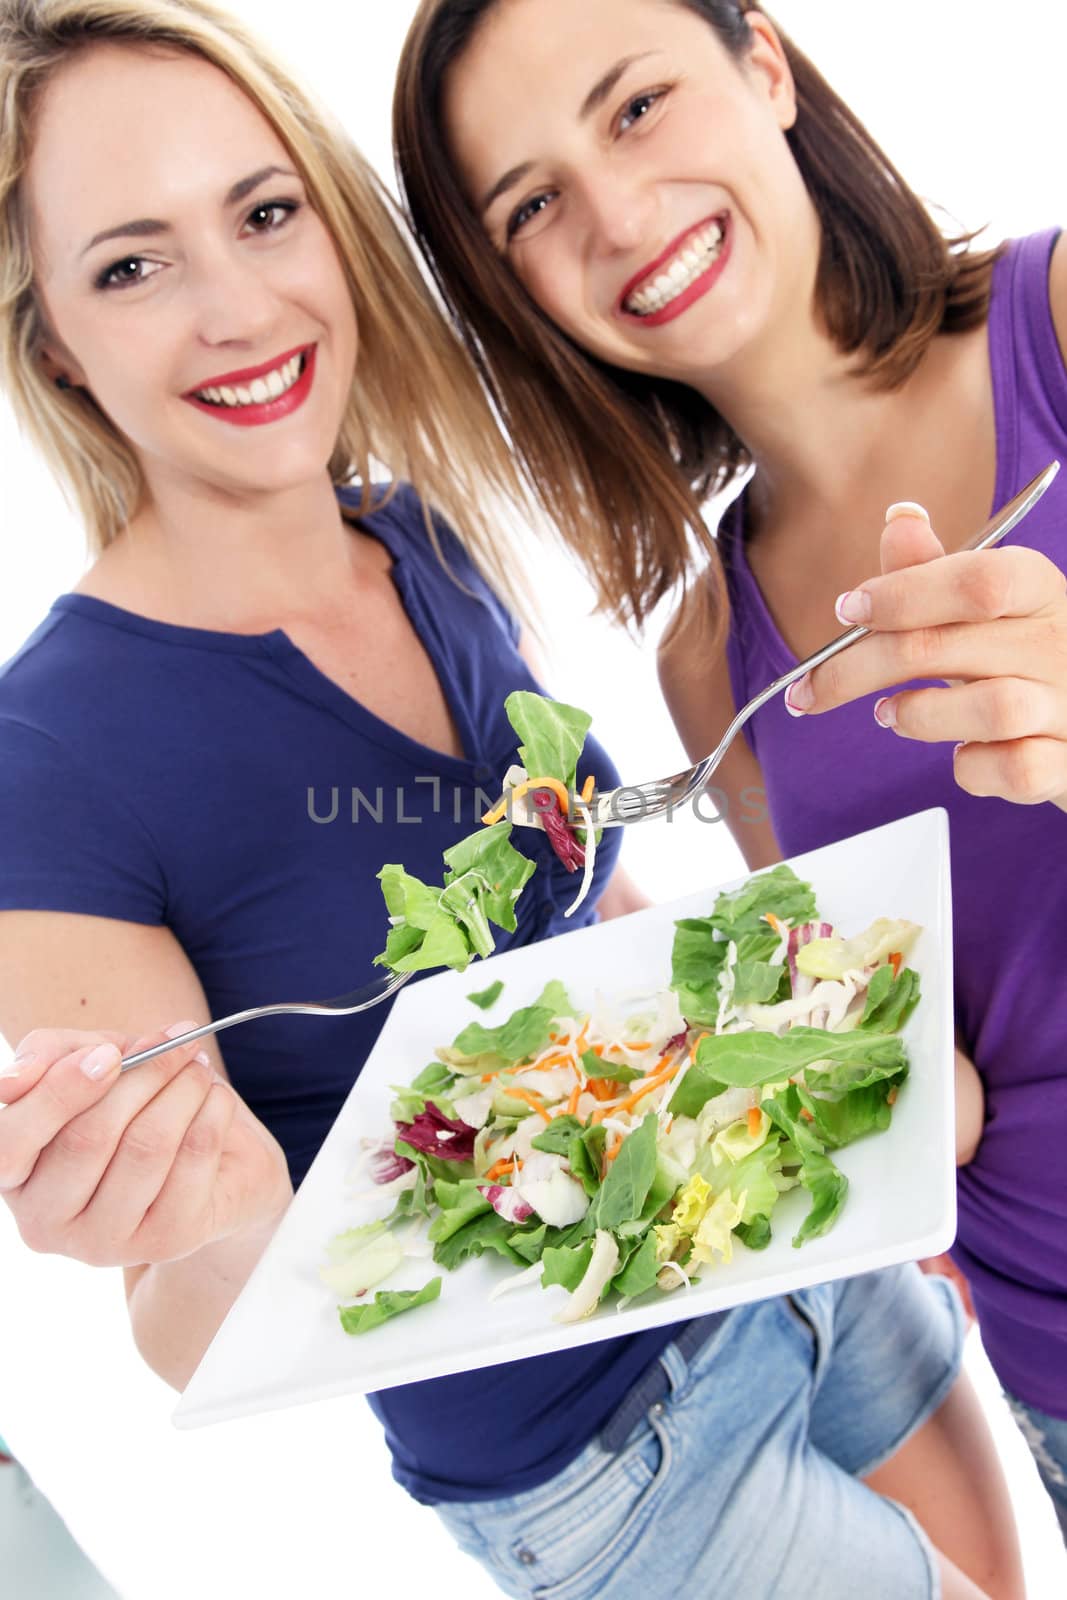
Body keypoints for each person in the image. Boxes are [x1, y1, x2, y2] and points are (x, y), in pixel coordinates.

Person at [0, 4, 1021, 1600]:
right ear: (55, 337)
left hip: (784, 1253)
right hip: (612, 1460)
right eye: (131, 265)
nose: (235, 307)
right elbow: (173, 1317)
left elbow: (593, 924)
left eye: (265, 214)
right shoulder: (47, 755)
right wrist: (210, 1224)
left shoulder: (420, 540)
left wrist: (838, 1063)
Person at [393, 0, 1067, 1554]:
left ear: (762, 62)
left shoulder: (1058, 318)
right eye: (534, 204)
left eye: (636, 106)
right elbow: (890, 1027)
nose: (617, 217)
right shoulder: (710, 652)